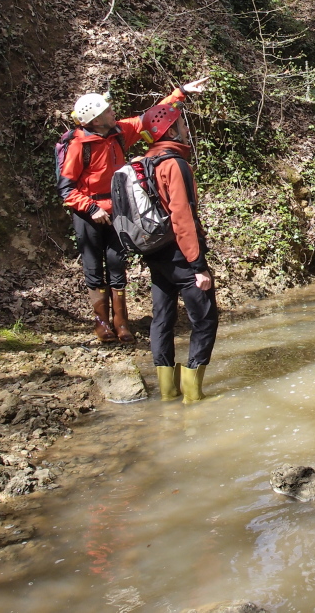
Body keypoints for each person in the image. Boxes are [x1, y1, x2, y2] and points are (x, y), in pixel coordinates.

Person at [57, 78, 210, 343]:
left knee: (117, 265)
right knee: (94, 268)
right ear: (94, 120)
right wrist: (91, 208)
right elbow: (66, 188)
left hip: (117, 210)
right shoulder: (77, 146)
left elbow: (151, 119)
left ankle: (122, 323)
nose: (112, 112)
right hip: (89, 212)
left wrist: (180, 93)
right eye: (106, 111)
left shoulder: (117, 131)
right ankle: (101, 324)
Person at [138, 101, 218, 403]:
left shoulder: (145, 162)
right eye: (182, 125)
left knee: (162, 319)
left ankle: (168, 392)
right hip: (181, 256)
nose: (186, 129)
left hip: (155, 254)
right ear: (170, 129)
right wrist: (198, 265)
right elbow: (182, 216)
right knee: (205, 320)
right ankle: (193, 395)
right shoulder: (174, 164)